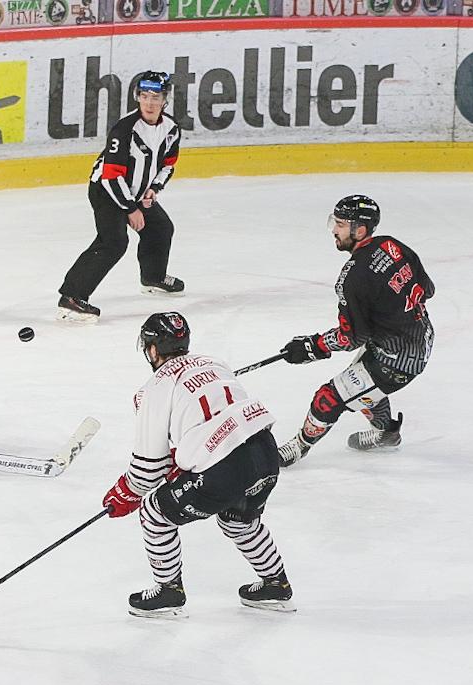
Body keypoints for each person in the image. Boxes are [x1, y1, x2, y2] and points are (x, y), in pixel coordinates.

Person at [101, 312, 295, 618]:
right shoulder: (214, 363)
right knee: (237, 520)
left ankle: (168, 593)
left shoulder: (156, 386)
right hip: (266, 453)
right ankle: (276, 585)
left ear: (152, 350)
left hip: (225, 467)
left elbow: (149, 467)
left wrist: (125, 493)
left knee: (154, 512)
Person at [276, 195, 435, 467]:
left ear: (359, 230)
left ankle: (299, 446)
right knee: (362, 388)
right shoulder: (392, 245)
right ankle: (386, 433)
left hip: (396, 360)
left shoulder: (354, 277)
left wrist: (312, 346)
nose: (334, 231)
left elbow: (352, 337)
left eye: (339, 224)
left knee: (328, 398)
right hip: (417, 338)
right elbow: (428, 290)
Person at [57, 70, 183, 323]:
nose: (149, 102)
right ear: (137, 97)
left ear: (164, 99)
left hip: (135, 193)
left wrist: (153, 189)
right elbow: (111, 176)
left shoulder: (171, 129)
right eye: (144, 96)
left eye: (155, 97)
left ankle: (153, 278)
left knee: (160, 228)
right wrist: (130, 208)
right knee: (113, 242)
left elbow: (168, 165)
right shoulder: (125, 129)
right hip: (106, 191)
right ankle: (71, 297)